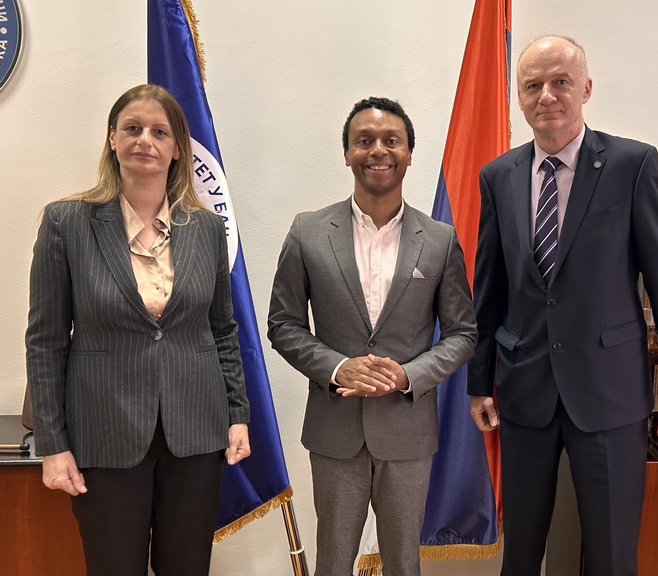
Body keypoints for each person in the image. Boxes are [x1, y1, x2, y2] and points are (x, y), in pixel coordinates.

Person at [466, 36, 658, 576]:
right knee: (520, 553)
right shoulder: (498, 176)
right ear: (519, 97)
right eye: (532, 85)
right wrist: (479, 381)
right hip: (525, 389)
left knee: (612, 554)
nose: (546, 95)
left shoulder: (631, 165)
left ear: (587, 88)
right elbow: (490, 289)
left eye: (561, 82)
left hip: (609, 392)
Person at [25, 84, 251, 576]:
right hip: (104, 434)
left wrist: (237, 414)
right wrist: (53, 445)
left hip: (197, 432)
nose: (145, 140)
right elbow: (45, 343)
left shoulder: (206, 228)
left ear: (177, 149)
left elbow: (222, 330)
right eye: (132, 128)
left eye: (159, 132)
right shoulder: (67, 222)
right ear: (112, 139)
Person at [268, 96, 476, 576]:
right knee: (333, 562)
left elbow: (462, 333)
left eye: (391, 140)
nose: (378, 150)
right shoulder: (307, 232)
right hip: (335, 430)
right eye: (364, 140)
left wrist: (407, 375)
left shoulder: (440, 239)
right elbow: (283, 324)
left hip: (408, 431)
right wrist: (338, 367)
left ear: (408, 153)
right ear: (347, 153)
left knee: (404, 564)